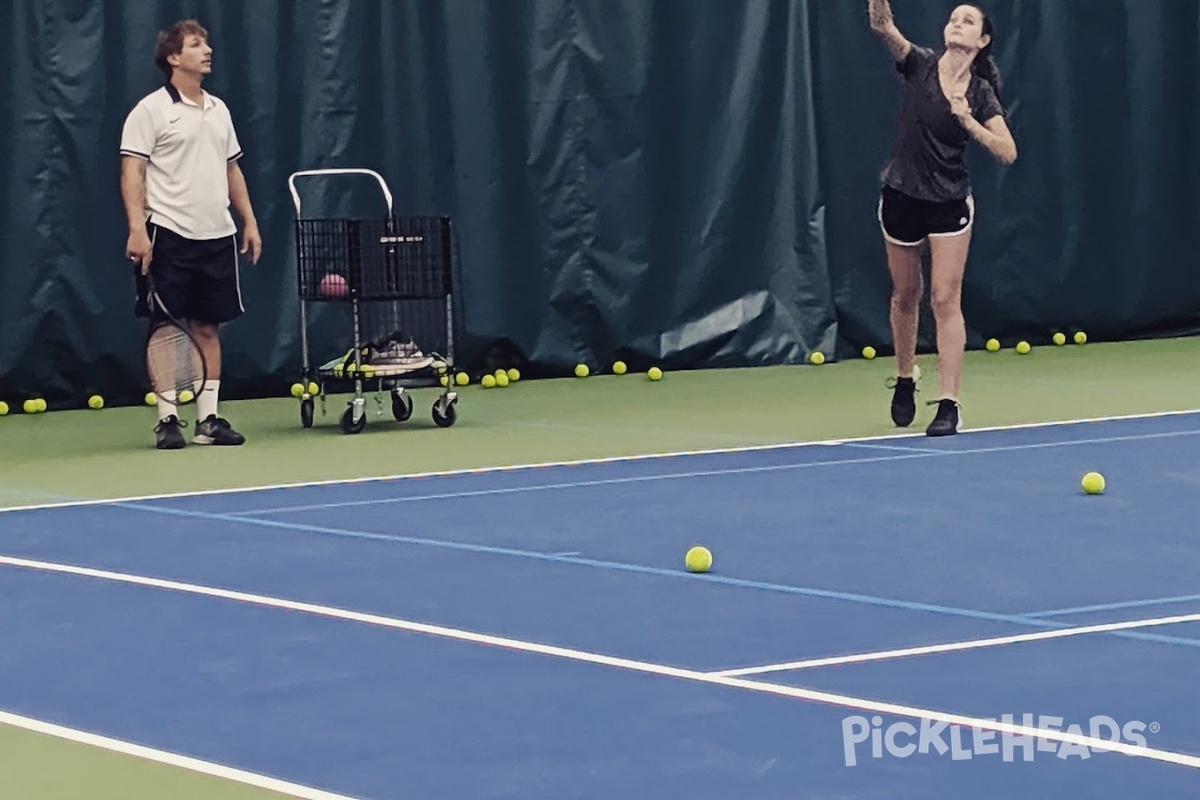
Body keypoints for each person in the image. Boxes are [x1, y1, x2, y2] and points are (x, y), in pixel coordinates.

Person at [867, 1, 1017, 436]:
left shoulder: (980, 93)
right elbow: (882, 26)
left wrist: (967, 119)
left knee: (945, 300)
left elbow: (1008, 152)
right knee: (904, 295)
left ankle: (949, 404)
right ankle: (905, 377)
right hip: (901, 196)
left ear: (981, 40)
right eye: (953, 17)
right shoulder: (919, 64)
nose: (957, 22)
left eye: (967, 20)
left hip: (948, 202)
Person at [119, 19, 262, 450]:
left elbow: (231, 168)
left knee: (207, 328)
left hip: (216, 234)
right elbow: (132, 171)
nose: (207, 50)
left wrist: (249, 220)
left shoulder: (219, 110)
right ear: (173, 58)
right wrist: (137, 229)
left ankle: (209, 420)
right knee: (165, 327)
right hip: (167, 232)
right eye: (196, 45)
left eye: (207, 43)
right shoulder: (150, 110)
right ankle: (167, 421)